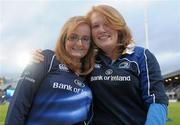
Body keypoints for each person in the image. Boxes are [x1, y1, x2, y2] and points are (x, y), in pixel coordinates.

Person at [32, 5, 168, 125]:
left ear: (118, 26)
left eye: (107, 24)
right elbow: (66, 62)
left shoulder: (141, 56)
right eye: (95, 26)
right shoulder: (88, 59)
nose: (102, 30)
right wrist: (44, 56)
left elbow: (157, 100)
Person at [5, 16, 95, 125]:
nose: (79, 43)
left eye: (85, 39)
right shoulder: (46, 59)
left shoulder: (90, 72)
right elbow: (19, 104)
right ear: (63, 39)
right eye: (73, 37)